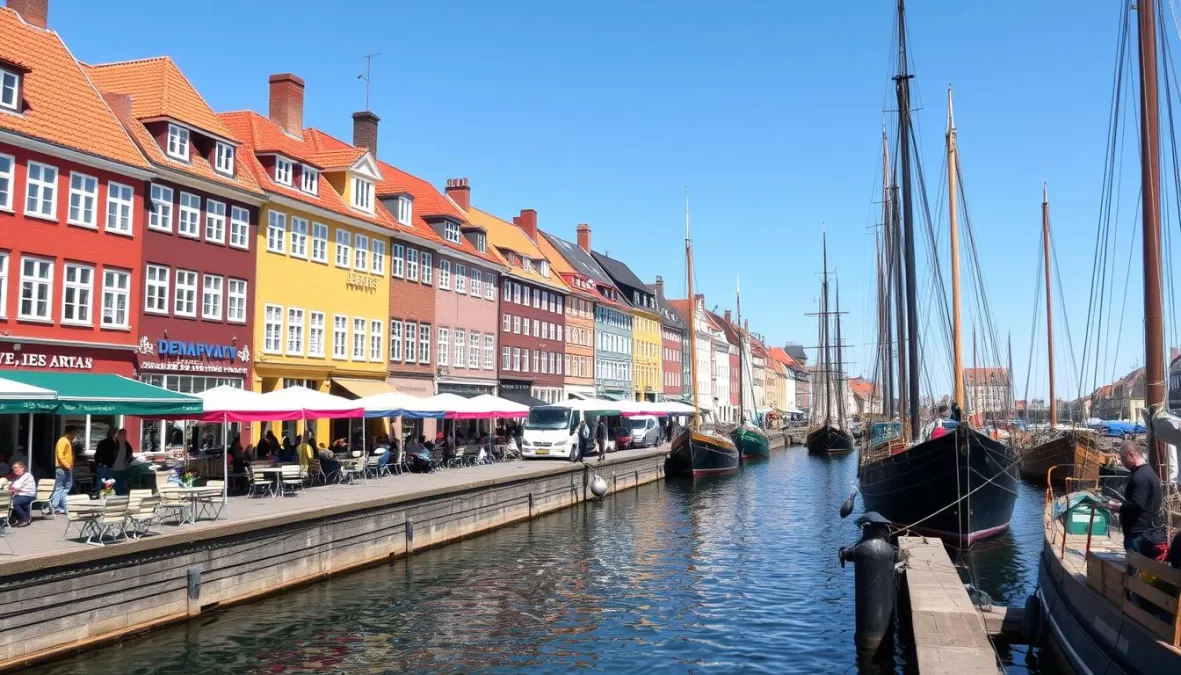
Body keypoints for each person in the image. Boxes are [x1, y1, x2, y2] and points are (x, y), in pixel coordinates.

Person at [1105, 442, 1164, 557]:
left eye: (1123, 458)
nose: (1122, 462)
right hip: (1148, 529)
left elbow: (1137, 506)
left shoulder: (1140, 477)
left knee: (1136, 565)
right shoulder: (1148, 472)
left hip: (1138, 534)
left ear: (1131, 455)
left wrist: (1118, 507)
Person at [51, 425, 78, 515]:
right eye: (74, 433)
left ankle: (61, 505)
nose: (75, 435)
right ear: (70, 432)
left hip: (65, 467)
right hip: (63, 467)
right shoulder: (63, 441)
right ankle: (55, 505)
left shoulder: (68, 441)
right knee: (62, 486)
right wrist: (67, 465)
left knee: (65, 486)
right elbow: (60, 455)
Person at [9, 461, 35, 527]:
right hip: (20, 495)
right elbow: (11, 487)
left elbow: (15, 487)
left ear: (22, 468)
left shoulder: (27, 475)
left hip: (28, 495)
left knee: (13, 503)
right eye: (14, 469)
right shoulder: (17, 477)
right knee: (7, 501)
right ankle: (14, 518)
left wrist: (12, 488)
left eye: (16, 468)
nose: (15, 470)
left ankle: (26, 518)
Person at [111, 428, 133, 494]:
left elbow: (130, 452)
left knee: (120, 483)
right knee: (113, 483)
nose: (124, 436)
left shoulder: (126, 443)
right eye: (122, 434)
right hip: (113, 467)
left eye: (125, 434)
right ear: (118, 435)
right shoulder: (114, 443)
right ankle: (113, 494)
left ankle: (119, 494)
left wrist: (127, 461)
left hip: (122, 467)